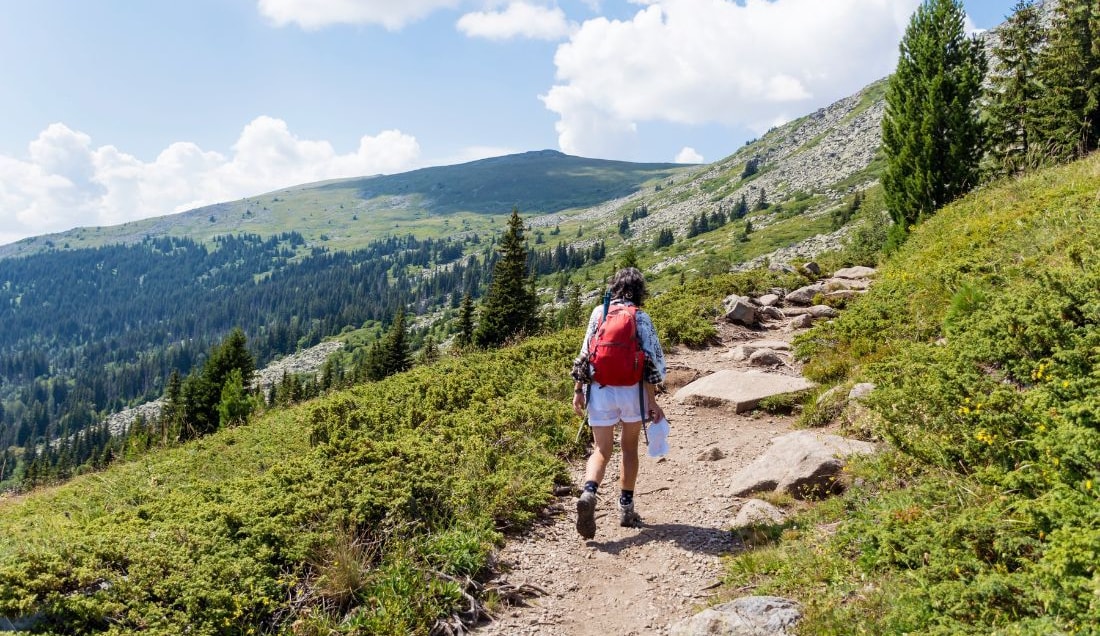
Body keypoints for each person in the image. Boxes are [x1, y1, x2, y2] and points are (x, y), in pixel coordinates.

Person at [571, 267, 666, 539]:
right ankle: (626, 507)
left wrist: (579, 389)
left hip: (600, 390)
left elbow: (586, 353)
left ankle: (589, 492)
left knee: (601, 449)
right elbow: (655, 363)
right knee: (629, 448)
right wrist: (652, 399)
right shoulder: (641, 318)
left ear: (614, 287)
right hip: (632, 392)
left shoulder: (599, 312)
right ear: (639, 291)